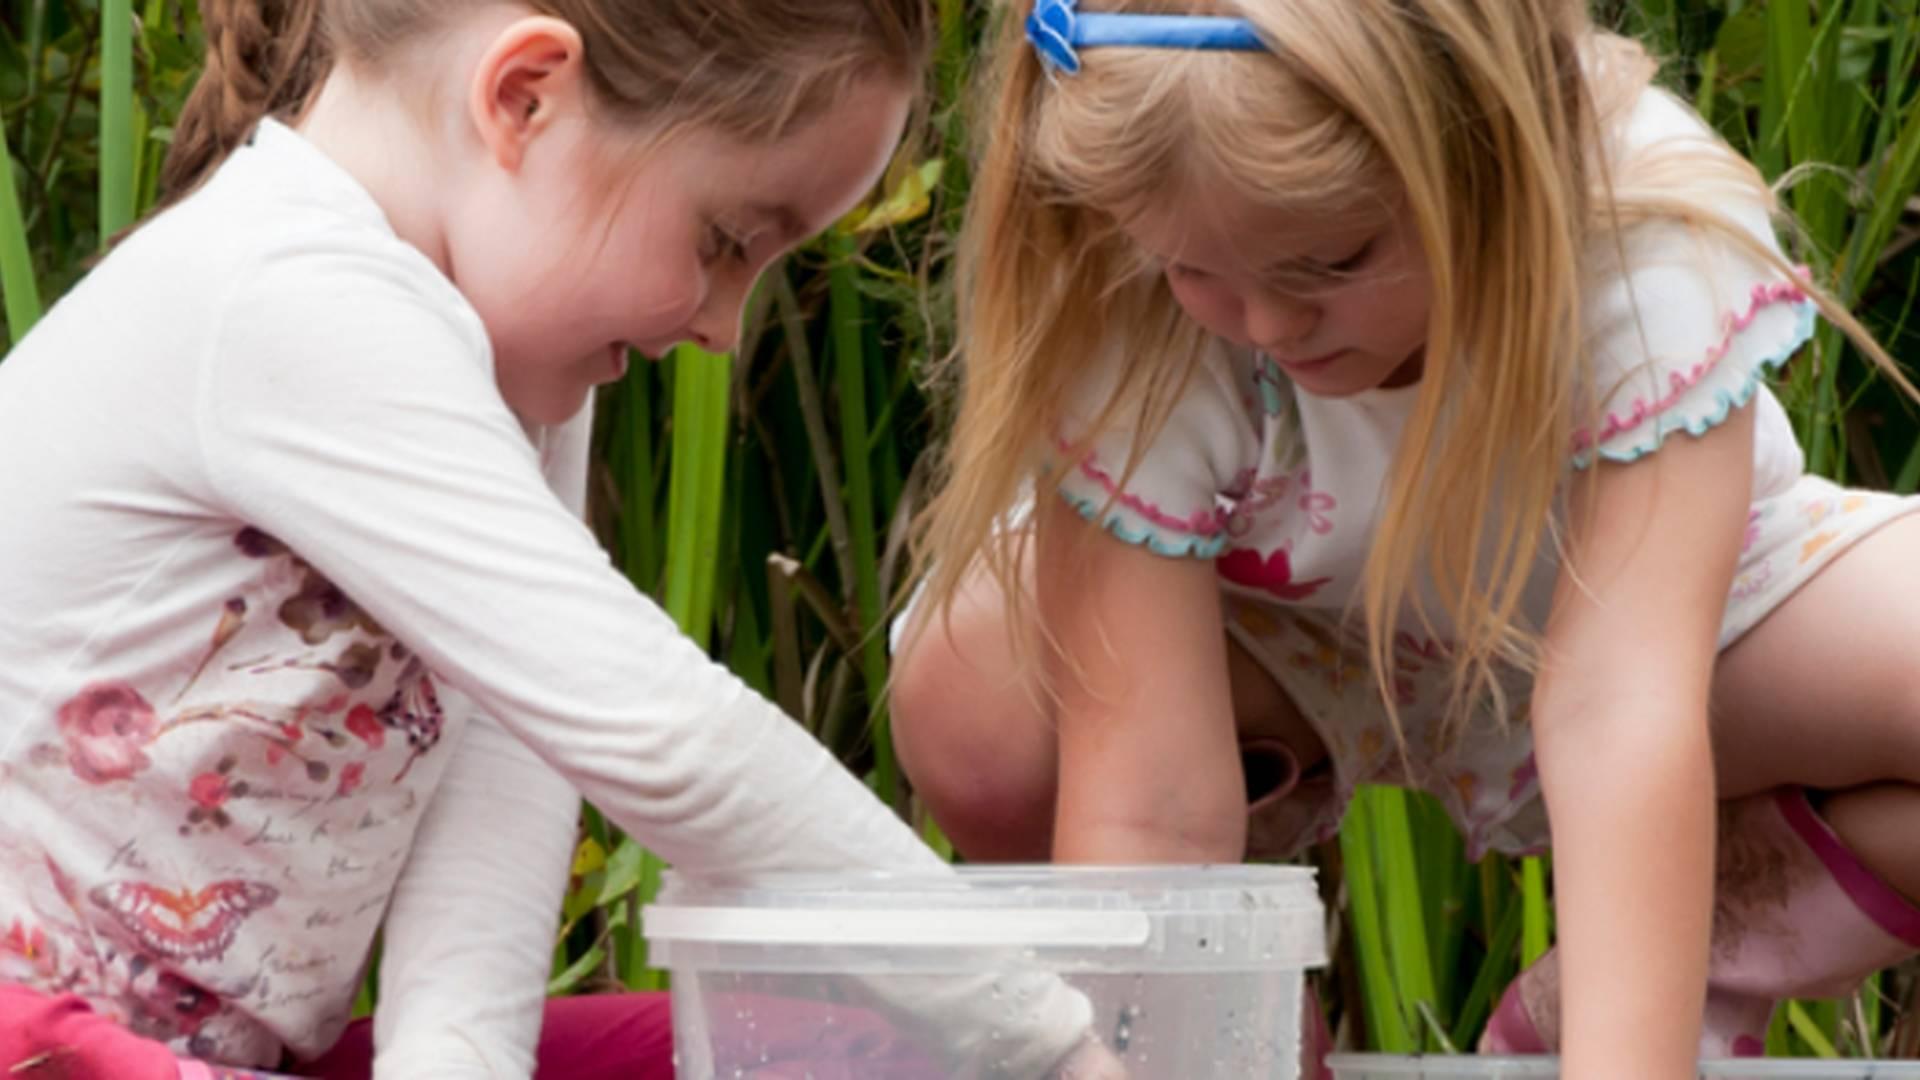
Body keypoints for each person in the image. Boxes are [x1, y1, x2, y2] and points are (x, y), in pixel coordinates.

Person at [0, 0, 1117, 1075]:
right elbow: (662, 731)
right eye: (727, 239)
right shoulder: (285, 293)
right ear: (524, 98)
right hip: (28, 1035)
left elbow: (510, 754)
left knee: (860, 1058)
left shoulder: (504, 358)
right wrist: (1051, 1040)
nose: (725, 331)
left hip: (178, 1056)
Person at [892, 2, 1920, 1077]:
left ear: (1491, 144)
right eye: (1196, 270)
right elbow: (1147, 809)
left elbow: (1623, 708)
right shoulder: (1128, 278)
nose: (1267, 326)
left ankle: (1675, 970)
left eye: (1329, 262)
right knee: (977, 695)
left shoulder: (1643, 217)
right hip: (1287, 649)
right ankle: (1250, 1046)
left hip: (1676, 632)